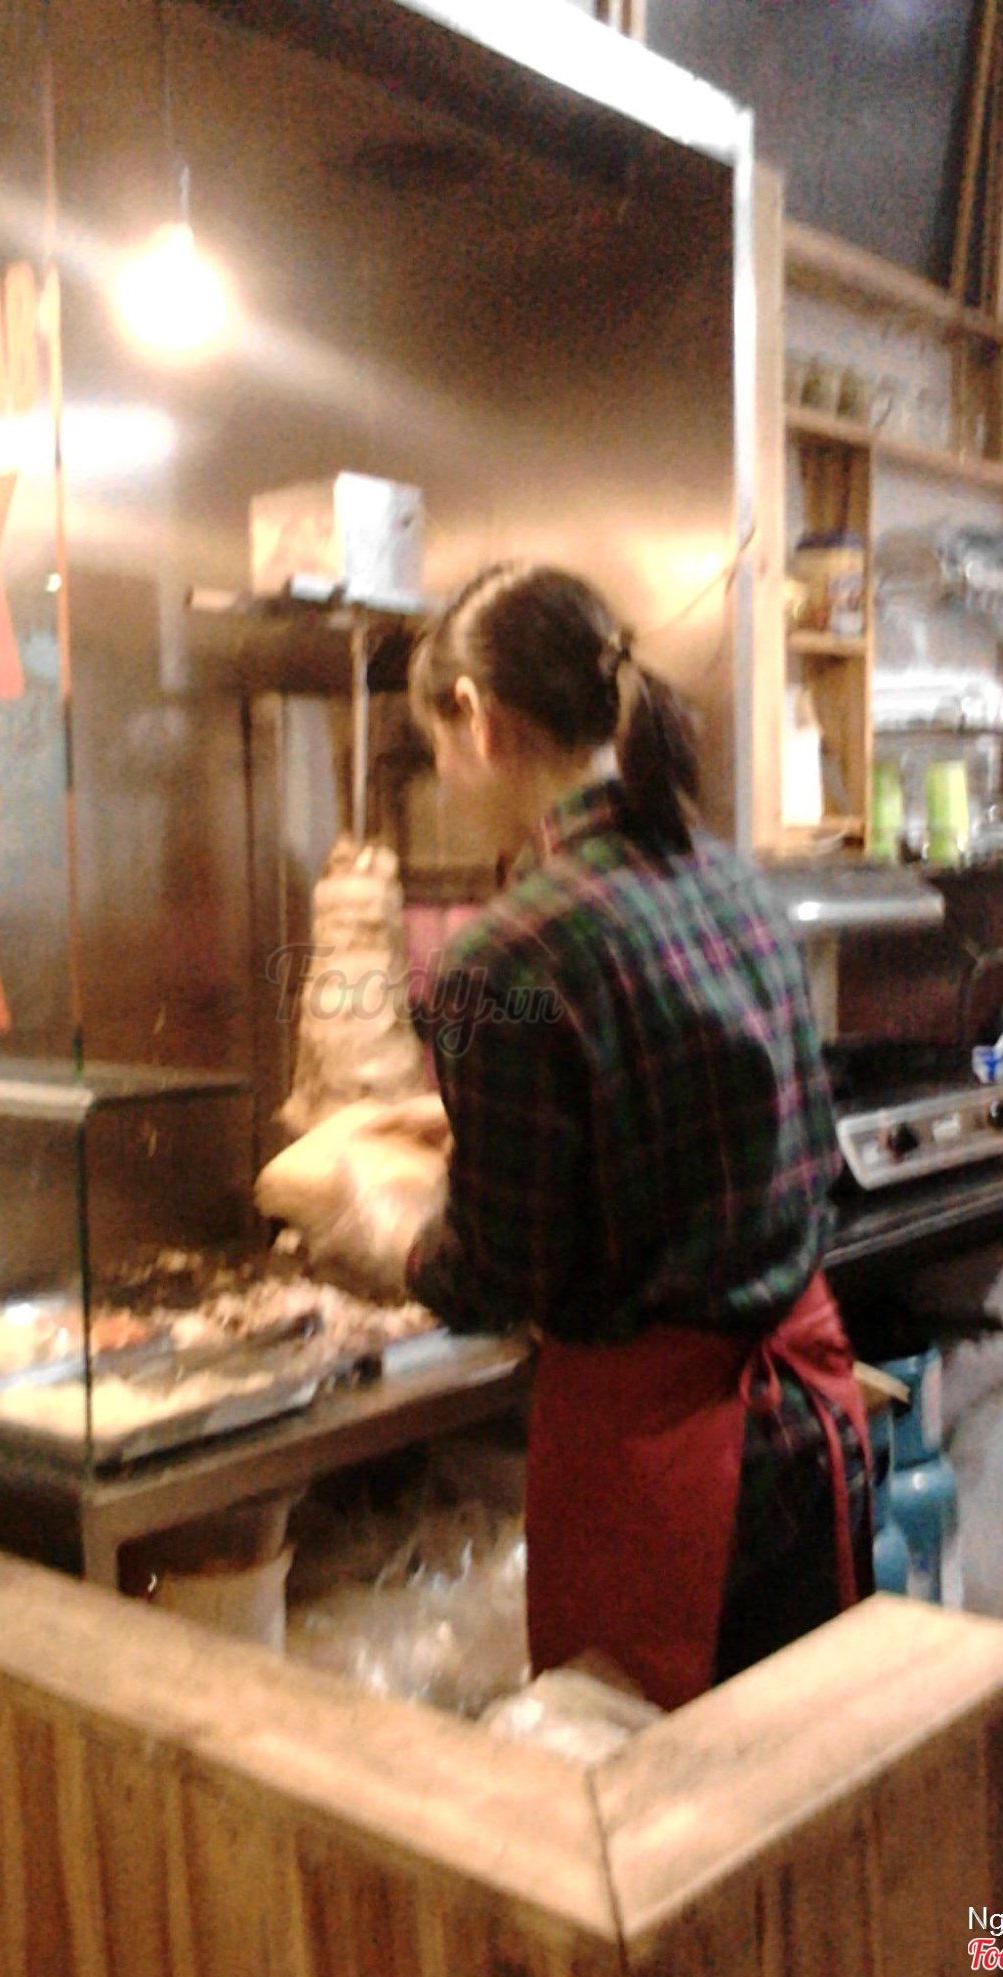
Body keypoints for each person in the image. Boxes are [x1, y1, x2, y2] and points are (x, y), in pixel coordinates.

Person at [384, 560, 871, 1712]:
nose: (442, 779)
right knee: (795, 1768)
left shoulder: (504, 954)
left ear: (477, 716)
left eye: (434, 745)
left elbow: (500, 1274)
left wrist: (382, 1225)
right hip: (812, 1426)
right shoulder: (734, 880)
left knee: (657, 1795)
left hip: (668, 1470)